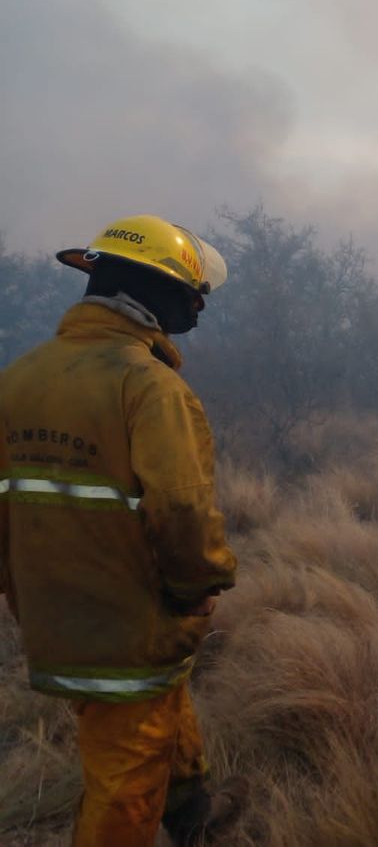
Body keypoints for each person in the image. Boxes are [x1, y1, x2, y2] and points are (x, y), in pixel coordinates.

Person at [0, 215, 245, 846]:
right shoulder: (150, 387)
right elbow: (182, 511)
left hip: (52, 613)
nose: (196, 309)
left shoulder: (19, 379)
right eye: (193, 296)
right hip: (125, 619)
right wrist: (199, 586)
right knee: (126, 781)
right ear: (157, 294)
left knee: (159, 698)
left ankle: (192, 812)